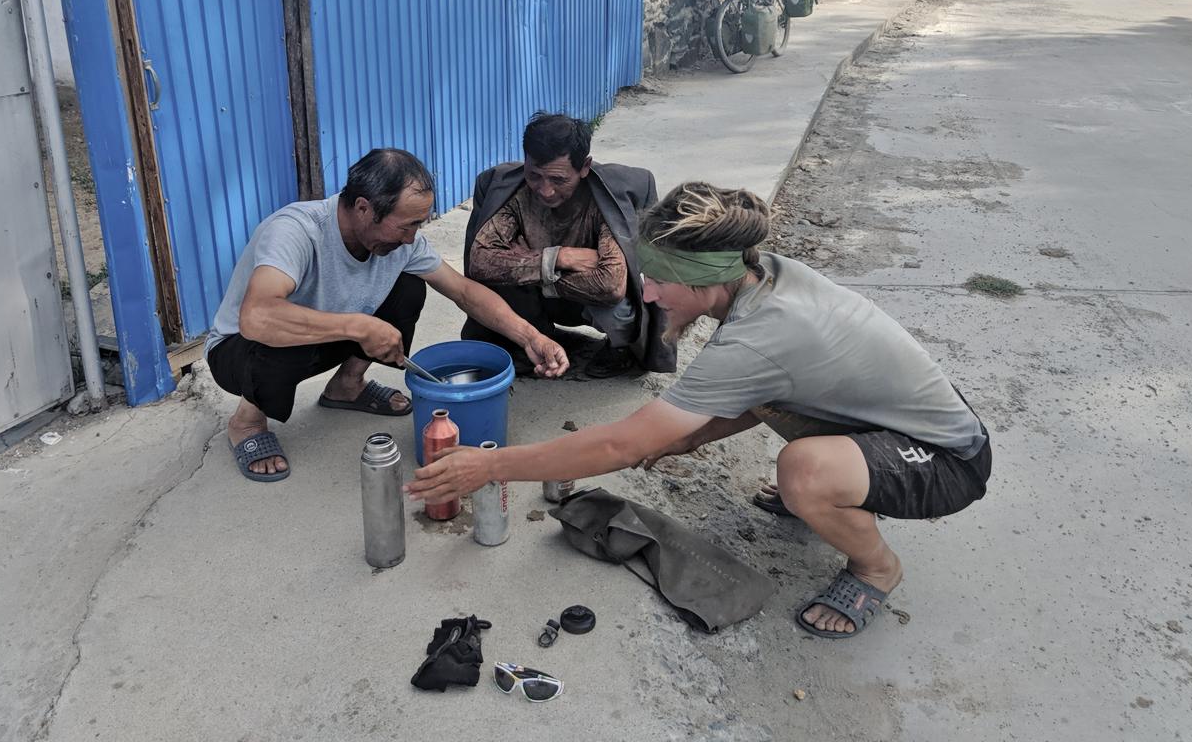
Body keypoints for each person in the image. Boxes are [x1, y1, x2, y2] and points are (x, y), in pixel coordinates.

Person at [407, 181, 991, 639]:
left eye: (660, 281)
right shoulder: (762, 277)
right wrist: (684, 440)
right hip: (892, 422)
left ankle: (875, 567)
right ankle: (836, 489)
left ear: (701, 279)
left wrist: (489, 466)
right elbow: (760, 392)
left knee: (803, 474)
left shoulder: (760, 336)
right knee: (771, 432)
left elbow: (620, 445)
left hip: (946, 459)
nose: (650, 294)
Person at [205, 148, 568, 483]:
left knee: (409, 288)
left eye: (418, 225)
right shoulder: (296, 230)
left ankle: (347, 387)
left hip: (326, 332)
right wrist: (358, 325)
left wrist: (530, 336)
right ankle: (247, 423)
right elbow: (258, 317)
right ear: (364, 208)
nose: (411, 239)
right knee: (286, 329)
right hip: (242, 350)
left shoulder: (398, 243)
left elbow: (462, 291)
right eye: (405, 225)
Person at [462, 112, 675, 378]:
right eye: (534, 175)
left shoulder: (609, 195)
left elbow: (610, 284)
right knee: (497, 284)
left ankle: (619, 349)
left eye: (559, 180)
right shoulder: (505, 189)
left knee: (620, 308)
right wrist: (558, 258)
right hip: (541, 294)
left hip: (589, 299)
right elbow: (480, 262)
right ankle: (536, 337)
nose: (545, 190)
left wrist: (525, 264)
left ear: (585, 166)